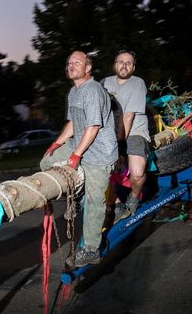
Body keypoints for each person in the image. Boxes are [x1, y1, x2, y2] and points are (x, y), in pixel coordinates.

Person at [40, 51, 118, 267]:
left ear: (88, 68)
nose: (71, 65)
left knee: (94, 202)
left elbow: (92, 127)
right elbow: (73, 124)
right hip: (80, 143)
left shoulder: (92, 90)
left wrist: (75, 156)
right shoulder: (74, 92)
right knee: (46, 162)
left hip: (99, 151)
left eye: (77, 62)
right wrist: (56, 144)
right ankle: (75, 194)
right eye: (69, 62)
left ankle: (92, 249)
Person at [101, 50, 150, 218]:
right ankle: (113, 204)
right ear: (115, 65)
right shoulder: (104, 83)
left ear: (134, 68)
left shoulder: (137, 83)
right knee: (100, 171)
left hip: (134, 131)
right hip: (110, 133)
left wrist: (119, 146)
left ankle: (134, 197)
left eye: (129, 63)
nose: (124, 65)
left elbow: (128, 117)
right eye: (121, 61)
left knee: (137, 173)